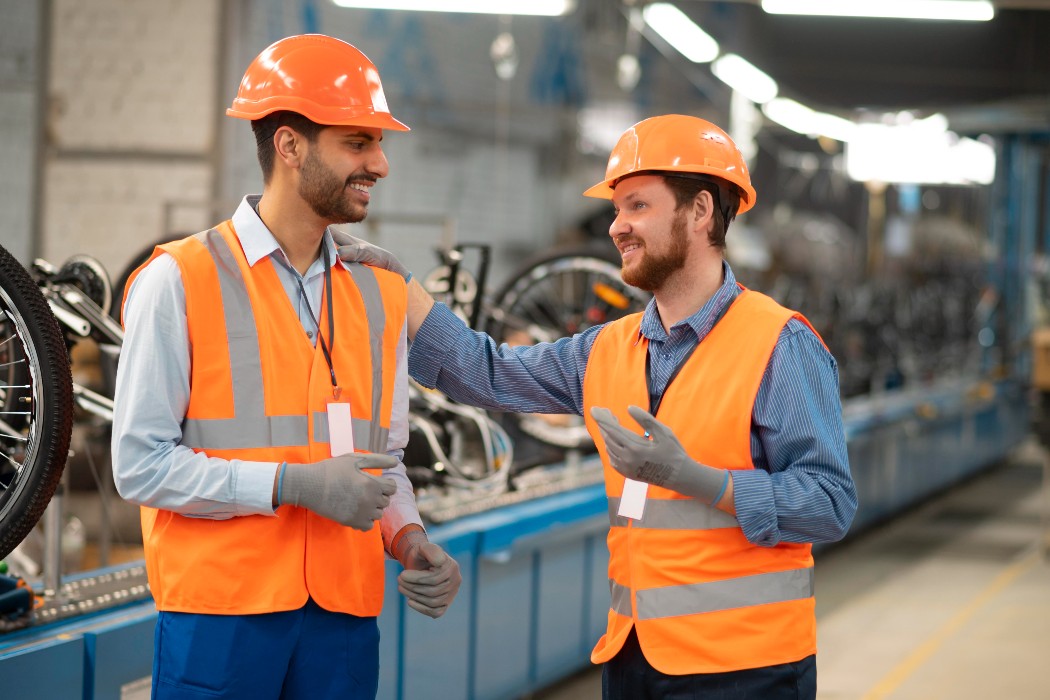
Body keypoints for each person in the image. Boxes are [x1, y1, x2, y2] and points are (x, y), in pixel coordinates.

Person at [339, 114, 858, 699]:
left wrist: (701, 481)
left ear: (701, 211)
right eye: (616, 211)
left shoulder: (778, 343)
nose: (617, 227)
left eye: (636, 206)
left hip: (745, 670)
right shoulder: (607, 350)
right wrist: (402, 287)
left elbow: (830, 504)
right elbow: (486, 372)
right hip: (633, 658)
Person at [111, 34, 461, 700]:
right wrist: (289, 486)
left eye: (379, 144)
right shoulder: (178, 280)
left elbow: (381, 460)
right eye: (358, 143)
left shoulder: (380, 292)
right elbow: (139, 465)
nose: (381, 164)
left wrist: (410, 538)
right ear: (290, 146)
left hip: (344, 623)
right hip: (220, 619)